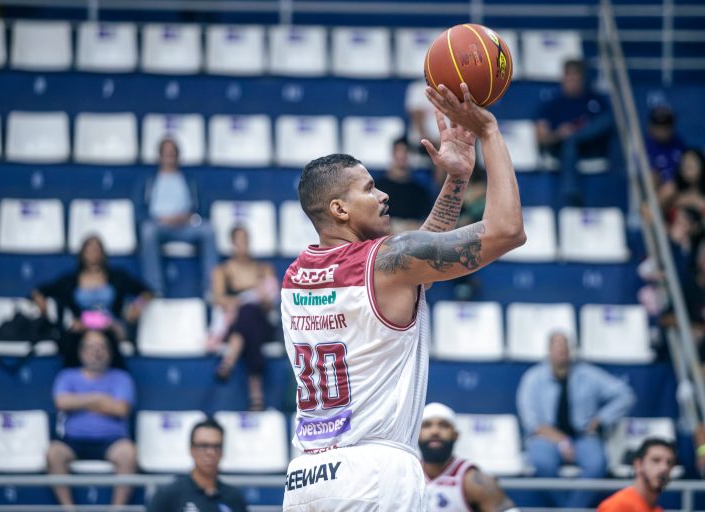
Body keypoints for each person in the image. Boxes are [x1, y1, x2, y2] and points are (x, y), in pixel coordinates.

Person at [281, 82, 526, 511]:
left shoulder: (295, 276)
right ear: (339, 209)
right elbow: (507, 230)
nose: (383, 194)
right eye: (369, 188)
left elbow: (412, 266)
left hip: (306, 476)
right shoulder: (385, 263)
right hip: (374, 472)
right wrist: (488, 132)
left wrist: (455, 179)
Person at [516, 332, 635, 508]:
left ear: (571, 349)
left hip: (583, 436)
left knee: (597, 464)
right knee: (542, 462)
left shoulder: (589, 374)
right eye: (556, 346)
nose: (561, 350)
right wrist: (562, 440)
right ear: (548, 350)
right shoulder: (532, 378)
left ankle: (570, 509)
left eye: (565, 346)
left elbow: (625, 395)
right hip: (547, 438)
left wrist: (601, 419)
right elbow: (531, 422)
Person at [46, 329, 137, 508]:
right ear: (81, 352)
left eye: (102, 347)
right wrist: (99, 399)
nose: (97, 352)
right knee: (53, 453)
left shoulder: (122, 378)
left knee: (129, 453)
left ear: (110, 351)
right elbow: (61, 402)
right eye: (91, 347)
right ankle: (69, 510)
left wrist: (79, 402)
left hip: (112, 440)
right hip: (73, 440)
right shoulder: (67, 376)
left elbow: (121, 409)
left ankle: (116, 510)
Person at [32, 235, 151, 365]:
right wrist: (42, 304)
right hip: (82, 327)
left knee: (107, 342)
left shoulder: (118, 277)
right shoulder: (69, 280)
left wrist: (138, 305)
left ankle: (116, 375)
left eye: (96, 249)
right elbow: (41, 291)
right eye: (89, 250)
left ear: (103, 253)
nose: (93, 254)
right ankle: (71, 375)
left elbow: (147, 292)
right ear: (82, 253)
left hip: (110, 327)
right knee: (71, 341)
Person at [138, 137, 218, 297]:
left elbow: (202, 207)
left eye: (173, 153)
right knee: (147, 231)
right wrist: (161, 219)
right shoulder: (149, 180)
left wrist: (190, 216)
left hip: (186, 225)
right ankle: (155, 289)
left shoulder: (189, 180)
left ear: (178, 156)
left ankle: (211, 288)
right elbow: (140, 210)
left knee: (208, 230)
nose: (170, 157)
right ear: (159, 156)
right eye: (166, 153)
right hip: (158, 225)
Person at [210, 225, 279, 410]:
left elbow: (270, 303)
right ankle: (256, 393)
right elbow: (218, 299)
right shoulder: (222, 270)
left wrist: (261, 299)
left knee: (249, 315)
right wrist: (243, 300)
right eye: (239, 240)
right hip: (234, 322)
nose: (243, 244)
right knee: (246, 316)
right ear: (232, 243)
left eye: (246, 240)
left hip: (262, 323)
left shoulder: (264, 269)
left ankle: (228, 362)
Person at [535, 59, 613, 206]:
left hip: (592, 145)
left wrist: (579, 131)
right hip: (562, 148)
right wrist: (560, 133)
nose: (572, 83)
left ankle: (574, 138)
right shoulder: (552, 104)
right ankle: (570, 191)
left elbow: (606, 123)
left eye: (576, 78)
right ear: (563, 78)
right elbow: (542, 138)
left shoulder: (595, 99)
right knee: (570, 141)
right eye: (569, 78)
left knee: (606, 120)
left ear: (583, 79)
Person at [420, 403, 520, 512]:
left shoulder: (472, 480)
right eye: (427, 425)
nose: (435, 431)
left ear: (456, 435)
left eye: (444, 425)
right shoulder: (409, 474)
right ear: (417, 434)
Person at [147, 418, 246, 512]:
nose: (210, 452)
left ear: (222, 451)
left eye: (216, 446)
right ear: (191, 449)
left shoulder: (234, 497)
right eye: (203, 446)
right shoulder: (168, 495)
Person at [597, 438, 677, 512]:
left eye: (669, 463)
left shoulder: (657, 510)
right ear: (638, 465)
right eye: (656, 460)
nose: (664, 468)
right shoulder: (618, 506)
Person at [374, 137, 433, 232]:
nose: (402, 155)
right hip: (384, 236)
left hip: (412, 236)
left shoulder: (420, 191)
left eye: (406, 152)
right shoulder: (377, 187)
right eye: (399, 151)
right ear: (393, 153)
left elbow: (426, 221)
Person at [659, 149, 705, 232]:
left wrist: (698, 217)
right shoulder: (671, 188)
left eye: (692, 164)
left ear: (702, 166)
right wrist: (669, 230)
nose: (688, 168)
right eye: (685, 164)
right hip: (671, 235)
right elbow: (652, 211)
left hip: (702, 236)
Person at [645, 105, 686, 187]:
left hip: (679, 189)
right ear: (650, 127)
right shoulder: (643, 147)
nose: (663, 130)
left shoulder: (679, 144)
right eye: (659, 126)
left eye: (667, 126)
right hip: (656, 191)